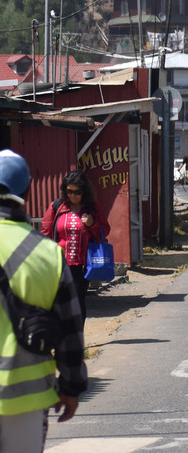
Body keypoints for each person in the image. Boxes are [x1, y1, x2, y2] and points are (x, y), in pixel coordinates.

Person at [0, 150, 87, 452]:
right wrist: (71, 387)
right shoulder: (48, 254)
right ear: (25, 192)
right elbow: (71, 332)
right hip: (27, 401)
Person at [40, 171, 109, 326]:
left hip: (81, 265)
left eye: (77, 192)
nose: (73, 195)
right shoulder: (56, 206)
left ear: (84, 191)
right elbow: (45, 233)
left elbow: (105, 231)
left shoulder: (92, 208)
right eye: (69, 191)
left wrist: (92, 224)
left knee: (77, 303)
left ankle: (77, 339)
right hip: (58, 265)